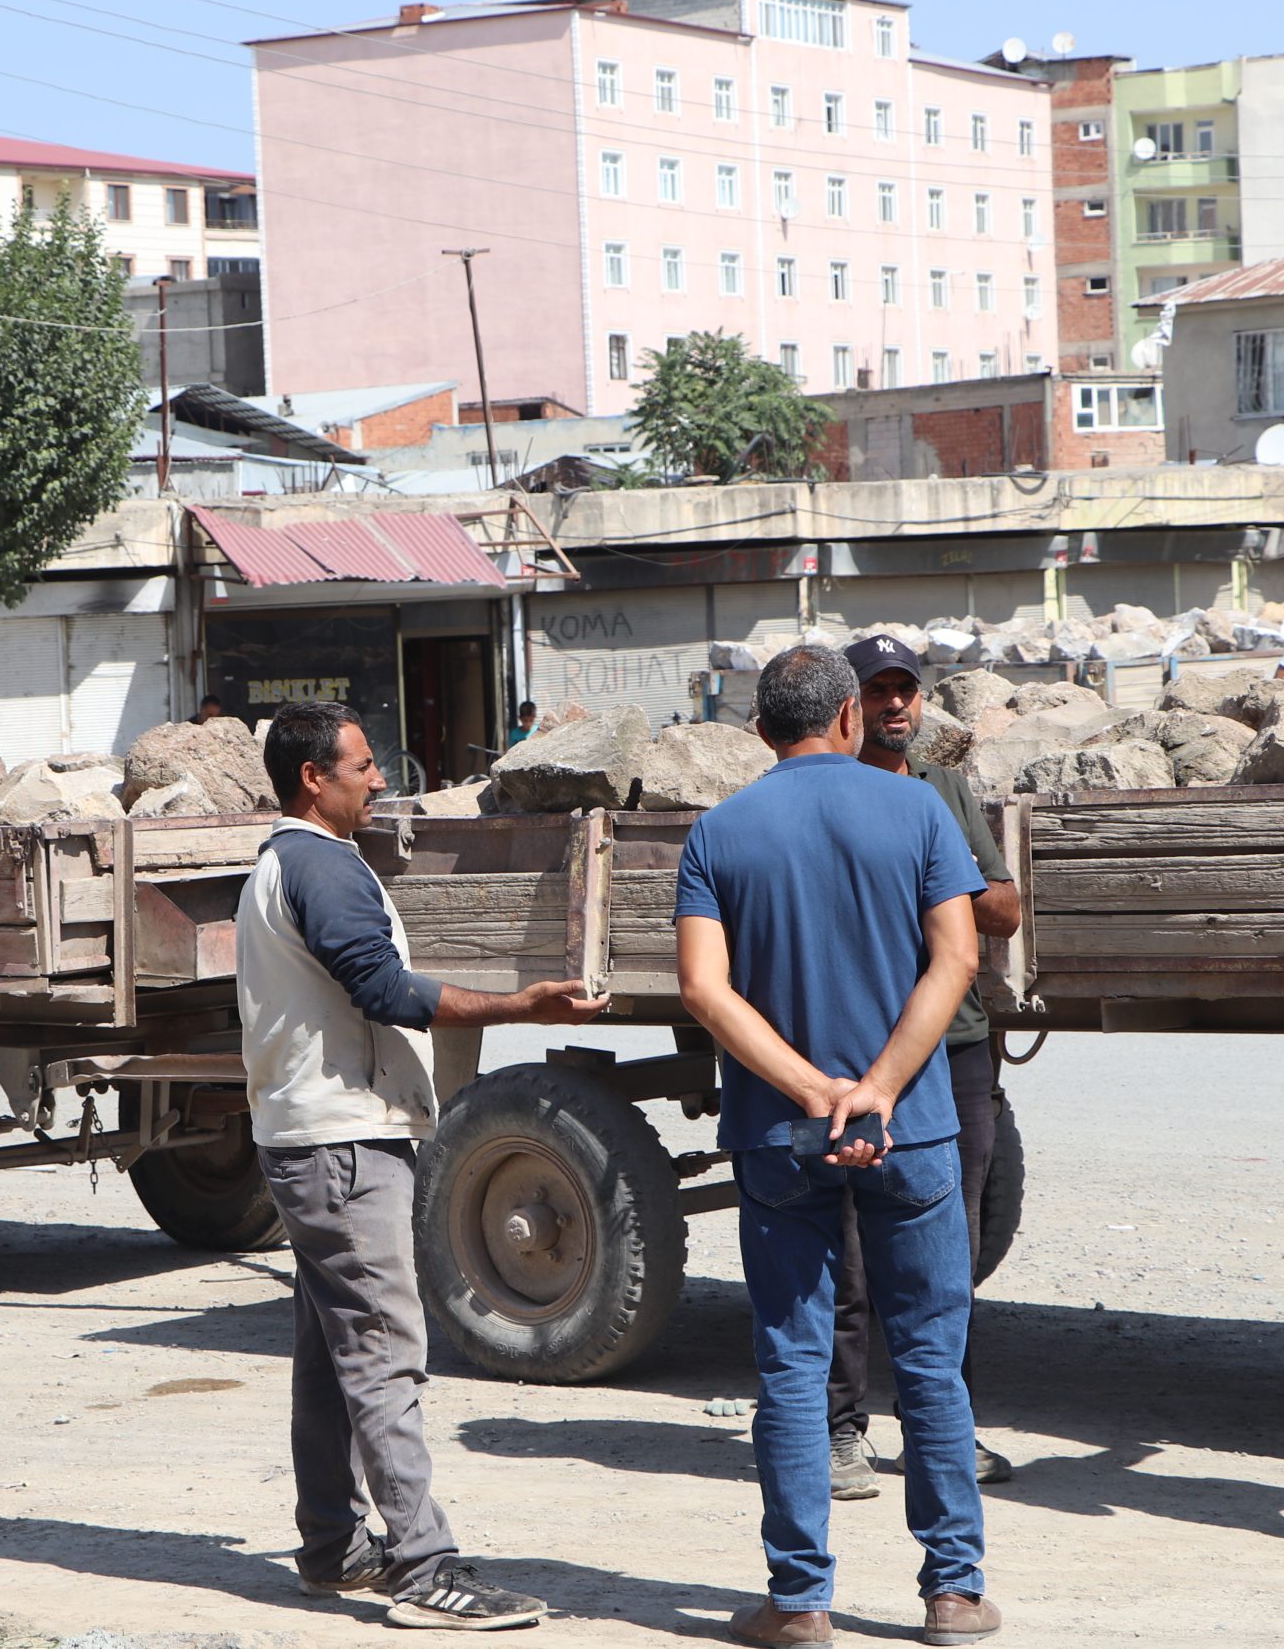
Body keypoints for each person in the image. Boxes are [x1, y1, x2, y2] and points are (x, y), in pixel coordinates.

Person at [238, 698, 607, 1627]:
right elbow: (384, 989)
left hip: (318, 1135)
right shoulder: (318, 864)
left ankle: (331, 1543)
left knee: (332, 1350)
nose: (379, 779)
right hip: (342, 1141)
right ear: (312, 779)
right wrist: (524, 1005)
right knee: (384, 1352)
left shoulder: (293, 861)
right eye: (362, 765)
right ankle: (424, 1567)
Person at [675, 648, 1000, 1648]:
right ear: (851, 716)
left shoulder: (717, 833)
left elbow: (703, 990)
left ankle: (800, 1602)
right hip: (913, 1127)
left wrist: (812, 1091)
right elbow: (959, 955)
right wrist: (881, 1087)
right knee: (932, 1366)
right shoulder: (916, 812)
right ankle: (951, 1593)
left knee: (790, 1360)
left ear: (760, 729)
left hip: (782, 1133)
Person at [830, 636, 1023, 1502]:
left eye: (906, 691)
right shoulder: (829, 791)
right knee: (848, 1248)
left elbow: (1006, 909)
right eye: (879, 692)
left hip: (956, 1047)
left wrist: (937, 865)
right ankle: (840, 1430)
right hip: (859, 1050)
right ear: (849, 704)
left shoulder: (942, 793)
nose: (896, 706)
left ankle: (940, 1423)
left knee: (954, 1247)